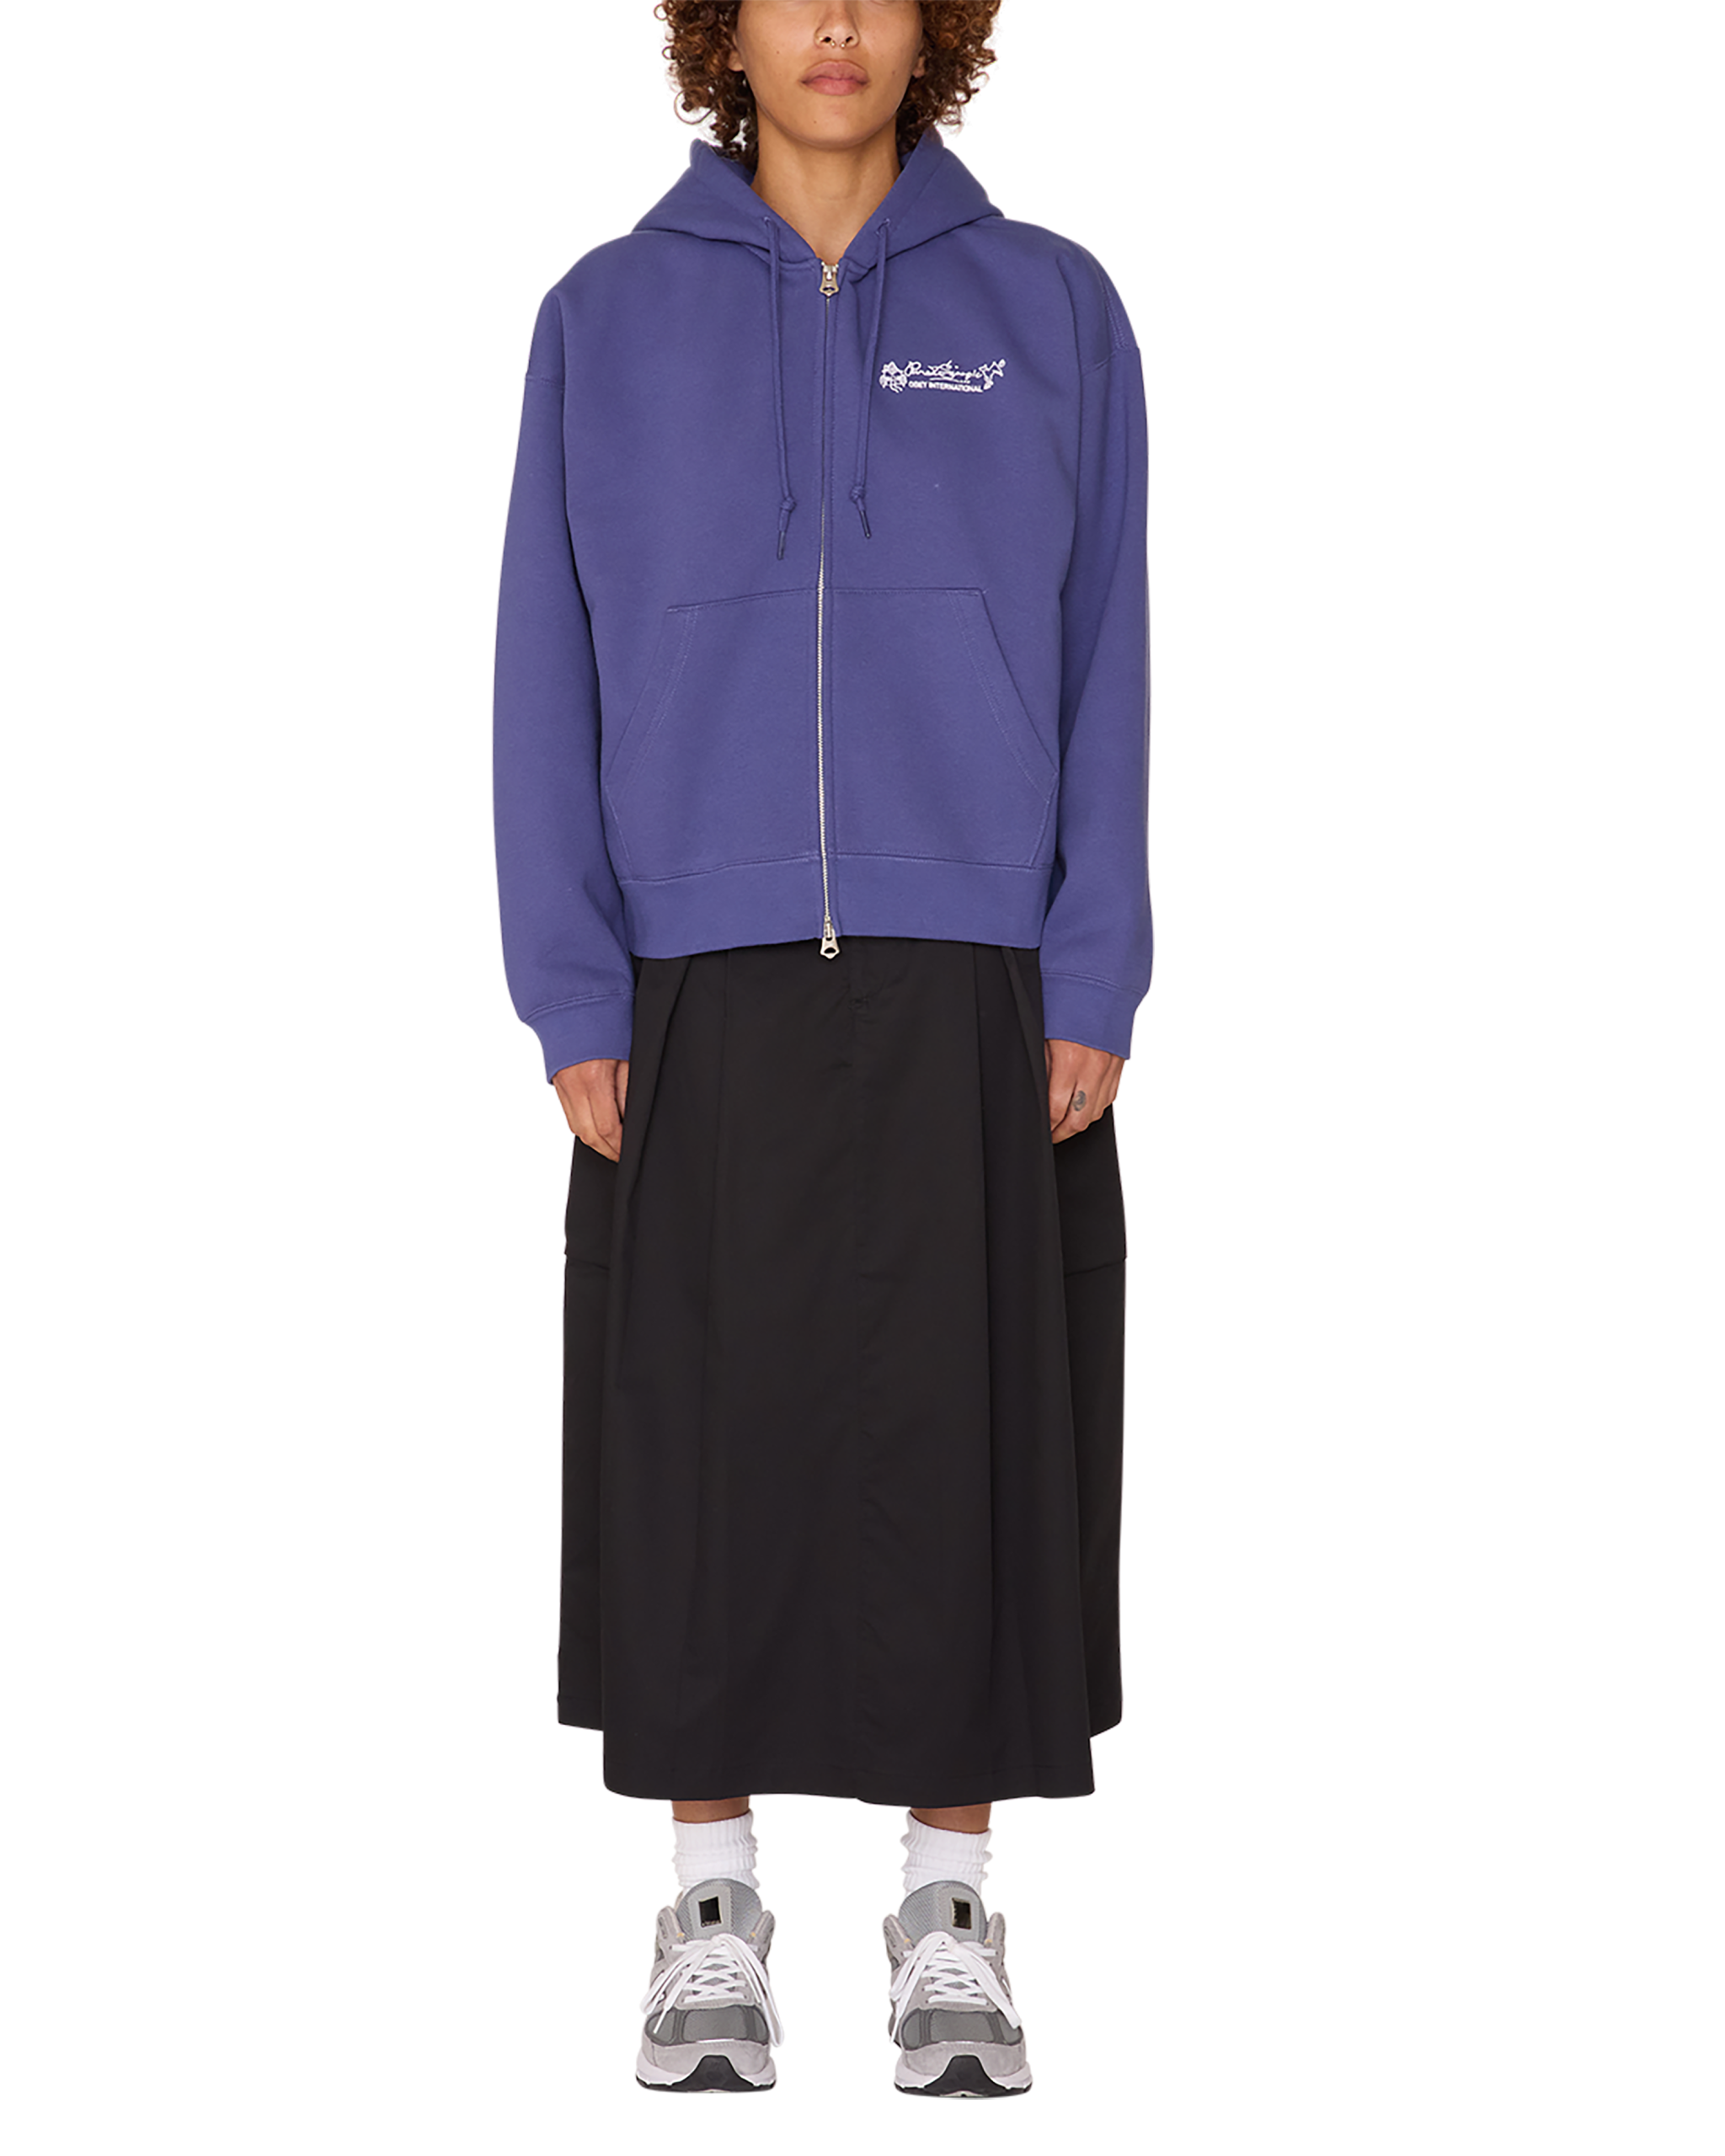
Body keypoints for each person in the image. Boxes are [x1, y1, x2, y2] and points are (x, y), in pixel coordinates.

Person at [489, 0, 1151, 2100]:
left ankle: (950, 1911)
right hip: (693, 958)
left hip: (982, 955)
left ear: (942, 26)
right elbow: (539, 662)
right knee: (701, 1432)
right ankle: (711, 1908)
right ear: (721, 30)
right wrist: (572, 983)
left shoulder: (1053, 305)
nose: (837, 24)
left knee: (973, 1426)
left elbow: (1112, 646)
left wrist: (1094, 961)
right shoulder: (602, 316)